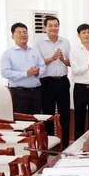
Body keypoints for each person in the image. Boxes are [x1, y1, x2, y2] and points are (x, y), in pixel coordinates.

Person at [34, 16, 71, 148]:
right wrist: (52, 58)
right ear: (45, 27)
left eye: (56, 25)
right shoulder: (38, 43)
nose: (54, 28)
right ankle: (49, 146)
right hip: (46, 82)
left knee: (65, 115)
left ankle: (65, 145)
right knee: (48, 115)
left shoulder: (65, 42)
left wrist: (61, 59)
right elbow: (37, 64)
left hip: (62, 81)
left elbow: (70, 63)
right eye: (50, 25)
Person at [0, 23, 46, 114]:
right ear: (12, 36)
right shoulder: (7, 53)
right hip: (19, 93)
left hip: (36, 91)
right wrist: (26, 74)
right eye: (19, 33)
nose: (23, 35)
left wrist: (38, 72)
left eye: (25, 32)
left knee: (36, 121)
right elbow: (5, 72)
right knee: (21, 122)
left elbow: (43, 66)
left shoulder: (35, 51)